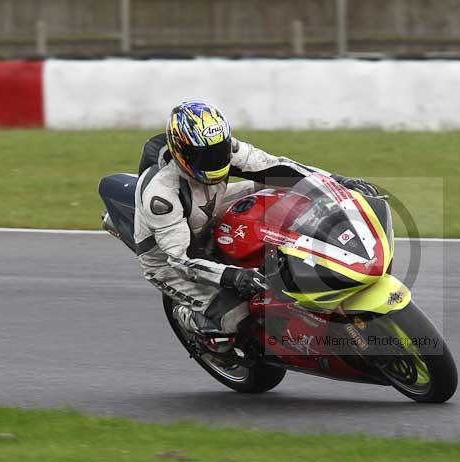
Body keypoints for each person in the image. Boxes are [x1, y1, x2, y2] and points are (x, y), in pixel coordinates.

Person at [134, 100, 377, 355]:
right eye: (204, 156)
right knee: (235, 316)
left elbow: (275, 166)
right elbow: (181, 258)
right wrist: (234, 276)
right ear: (181, 152)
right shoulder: (160, 196)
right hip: (167, 258)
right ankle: (193, 320)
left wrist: (336, 182)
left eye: (219, 152)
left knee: (278, 188)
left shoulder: (226, 149)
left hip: (208, 206)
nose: (214, 161)